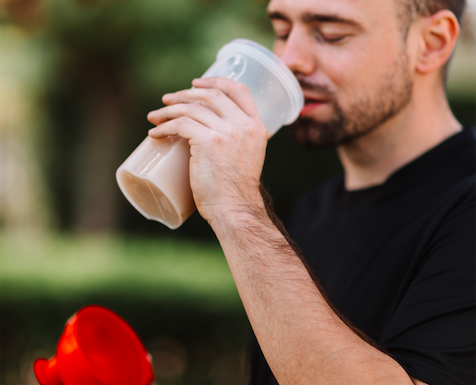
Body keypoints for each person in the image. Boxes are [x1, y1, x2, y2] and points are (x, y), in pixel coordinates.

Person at [147, 0, 475, 383]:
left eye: (331, 34)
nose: (289, 59)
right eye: (283, 30)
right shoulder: (310, 212)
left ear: (432, 43)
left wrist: (236, 208)